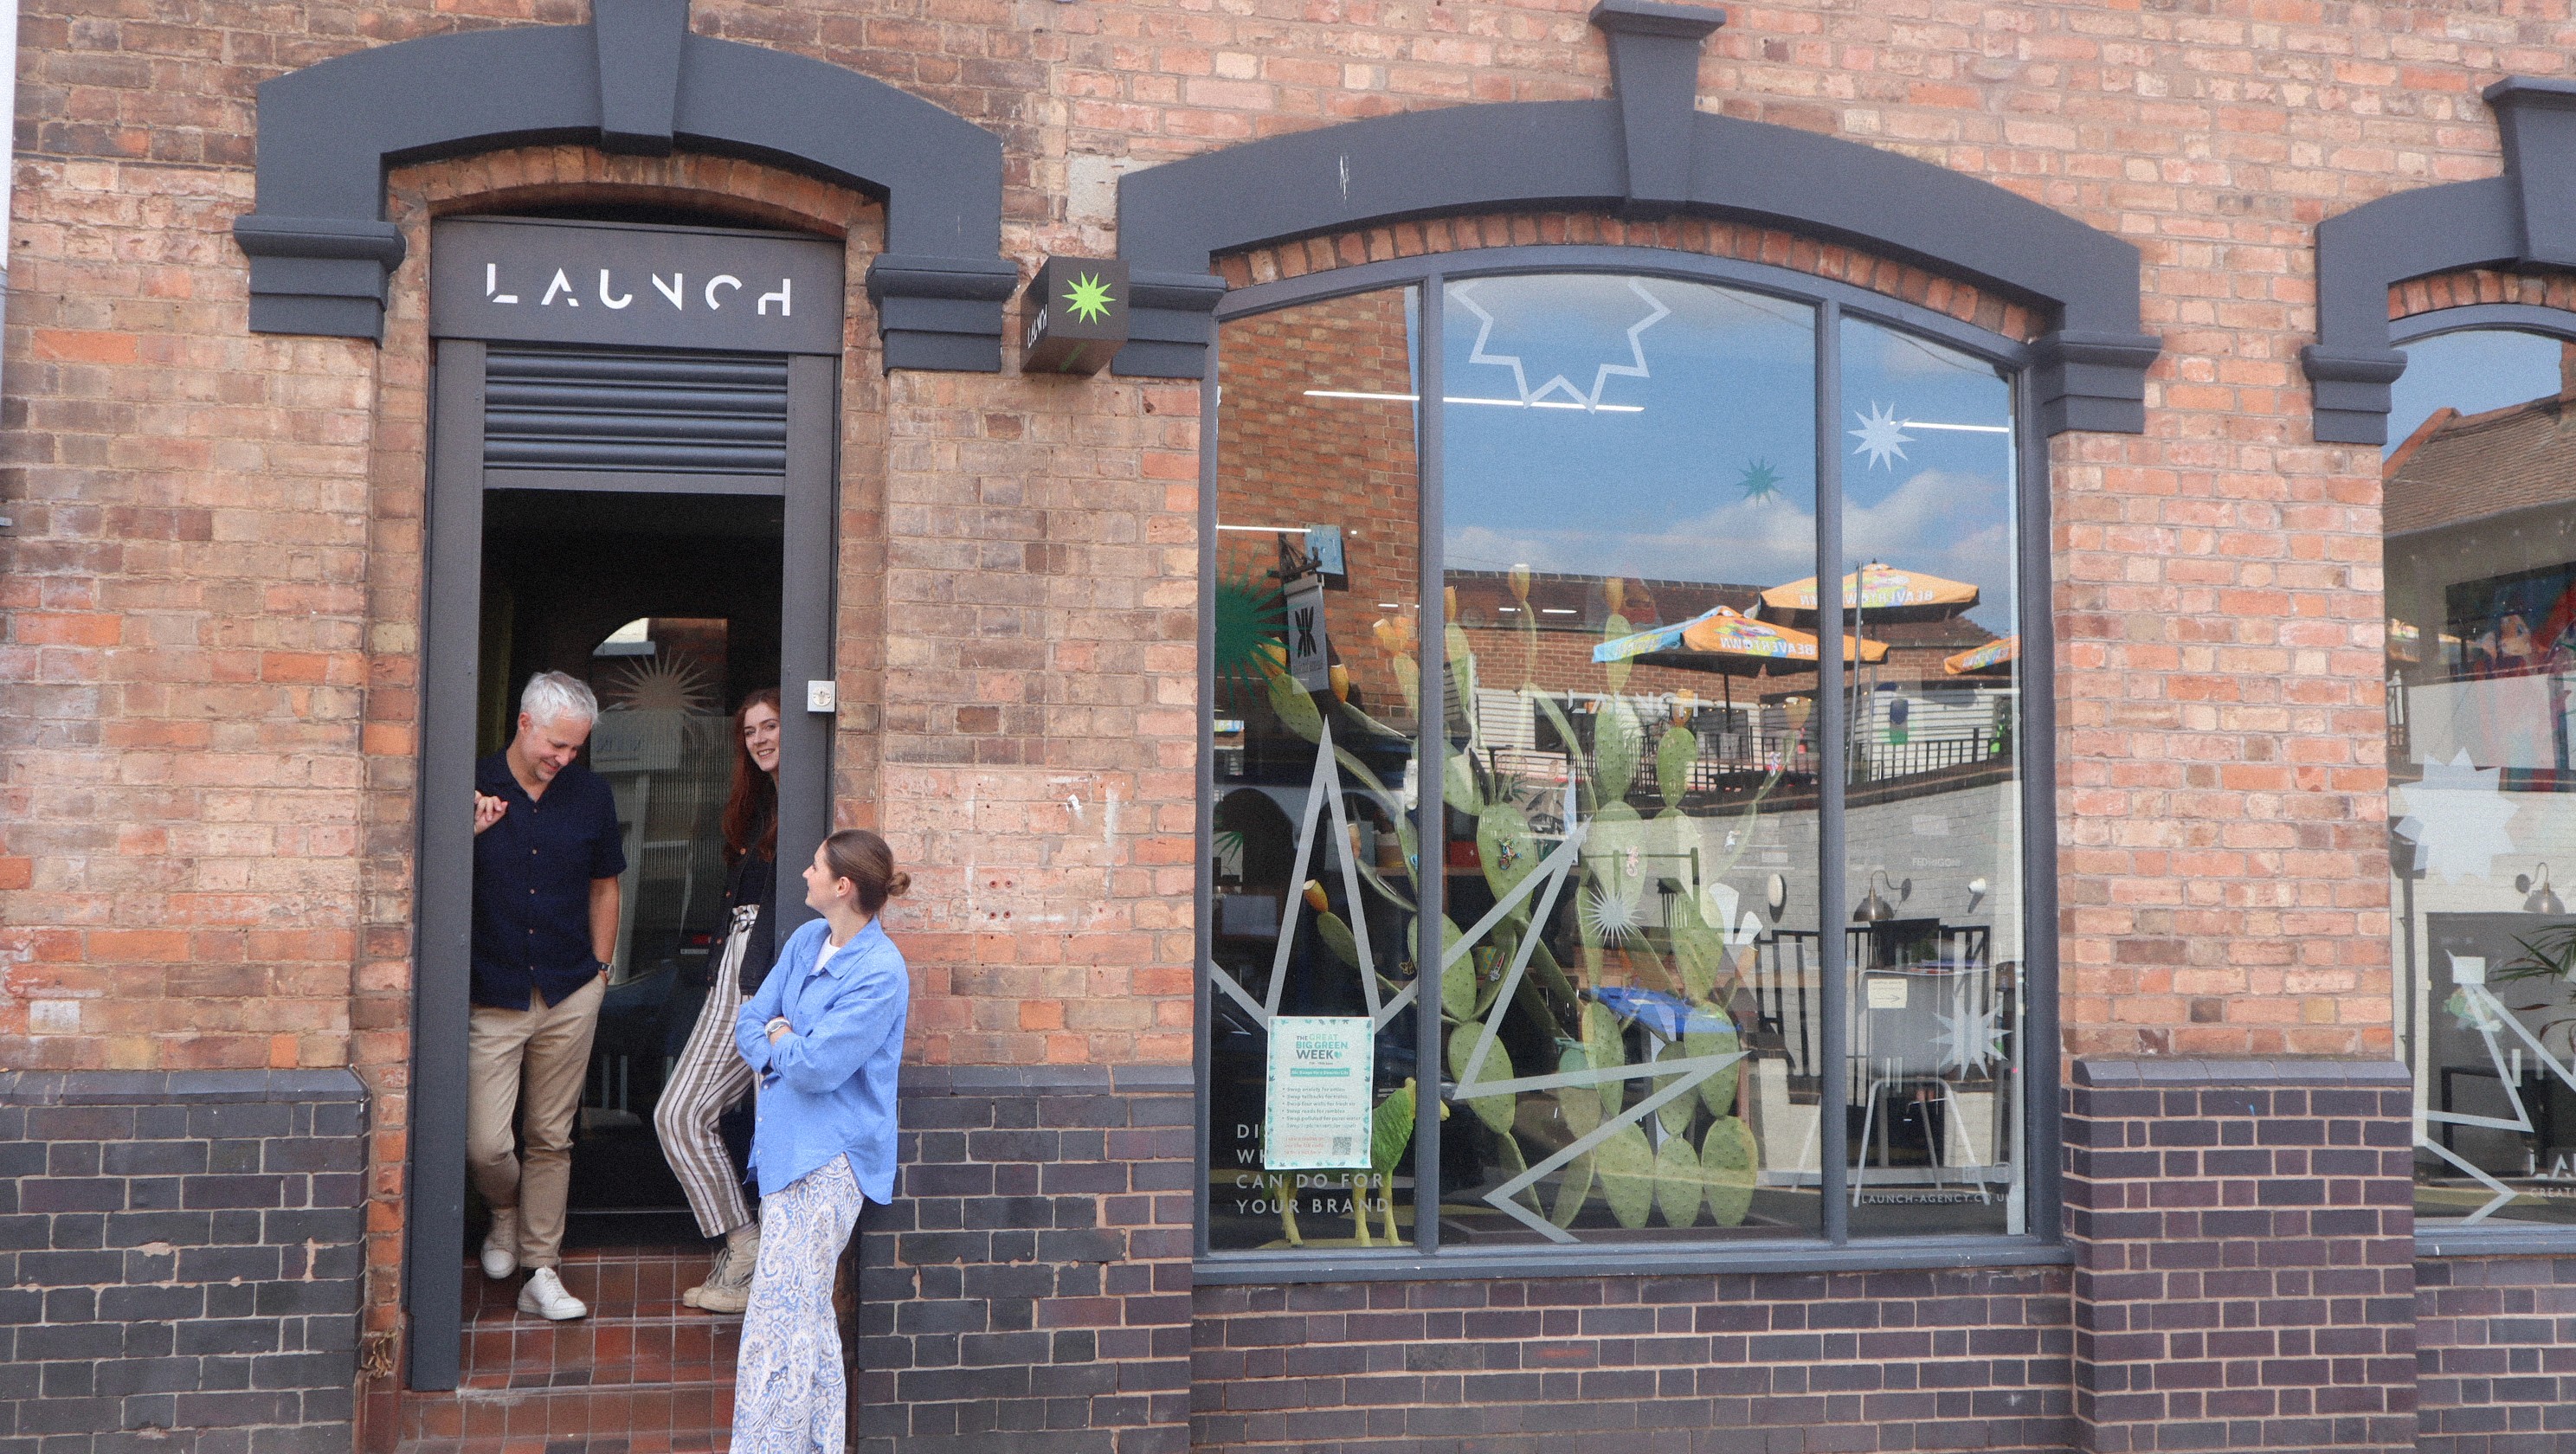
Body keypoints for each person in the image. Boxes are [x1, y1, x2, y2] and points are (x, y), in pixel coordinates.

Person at [730, 830, 911, 1454]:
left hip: (829, 1162)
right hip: (785, 1151)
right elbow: (747, 1020)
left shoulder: (881, 972)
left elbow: (818, 1068)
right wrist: (781, 1040)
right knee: (802, 1315)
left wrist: (781, 1045)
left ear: (843, 886)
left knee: (779, 1319)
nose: (803, 872)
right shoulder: (809, 940)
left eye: (815, 865)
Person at [467, 670, 627, 1322]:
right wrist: (464, 835)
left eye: (575, 749)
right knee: (487, 1143)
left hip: (569, 987)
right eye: (556, 746)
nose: (564, 760)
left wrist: (601, 971)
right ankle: (502, 1213)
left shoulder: (589, 795)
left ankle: (541, 1268)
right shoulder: (471, 783)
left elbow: (605, 886)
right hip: (491, 988)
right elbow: (418, 876)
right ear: (524, 724)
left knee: (550, 1138)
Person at [651, 687, 782, 1314]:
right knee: (680, 1114)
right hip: (735, 972)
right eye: (749, 731)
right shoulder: (757, 811)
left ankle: (758, 1261)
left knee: (765, 1126)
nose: (759, 739)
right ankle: (745, 1242)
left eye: (771, 726)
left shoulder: (807, 800)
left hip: (768, 981)